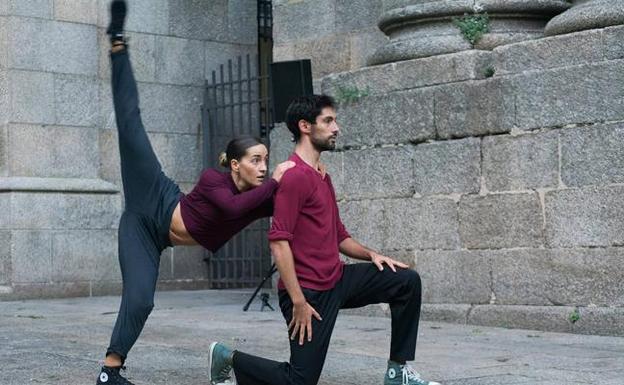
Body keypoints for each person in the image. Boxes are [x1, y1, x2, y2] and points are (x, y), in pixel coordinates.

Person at [97, 2, 294, 384]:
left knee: (143, 300)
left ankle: (108, 371)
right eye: (255, 160)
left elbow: (285, 200)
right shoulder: (213, 181)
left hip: (156, 240)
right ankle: (118, 44)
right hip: (149, 201)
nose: (263, 167)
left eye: (266, 160)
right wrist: (275, 182)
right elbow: (231, 205)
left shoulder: (258, 196)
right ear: (235, 164)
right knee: (130, 125)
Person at [208, 95, 442, 385]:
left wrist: (372, 255)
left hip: (336, 279)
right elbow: (279, 242)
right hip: (308, 294)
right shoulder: (294, 177)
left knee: (405, 281)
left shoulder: (321, 175)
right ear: (305, 126)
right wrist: (298, 302)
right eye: (328, 121)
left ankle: (397, 372)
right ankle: (228, 357)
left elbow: (339, 235)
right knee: (300, 381)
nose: (336, 128)